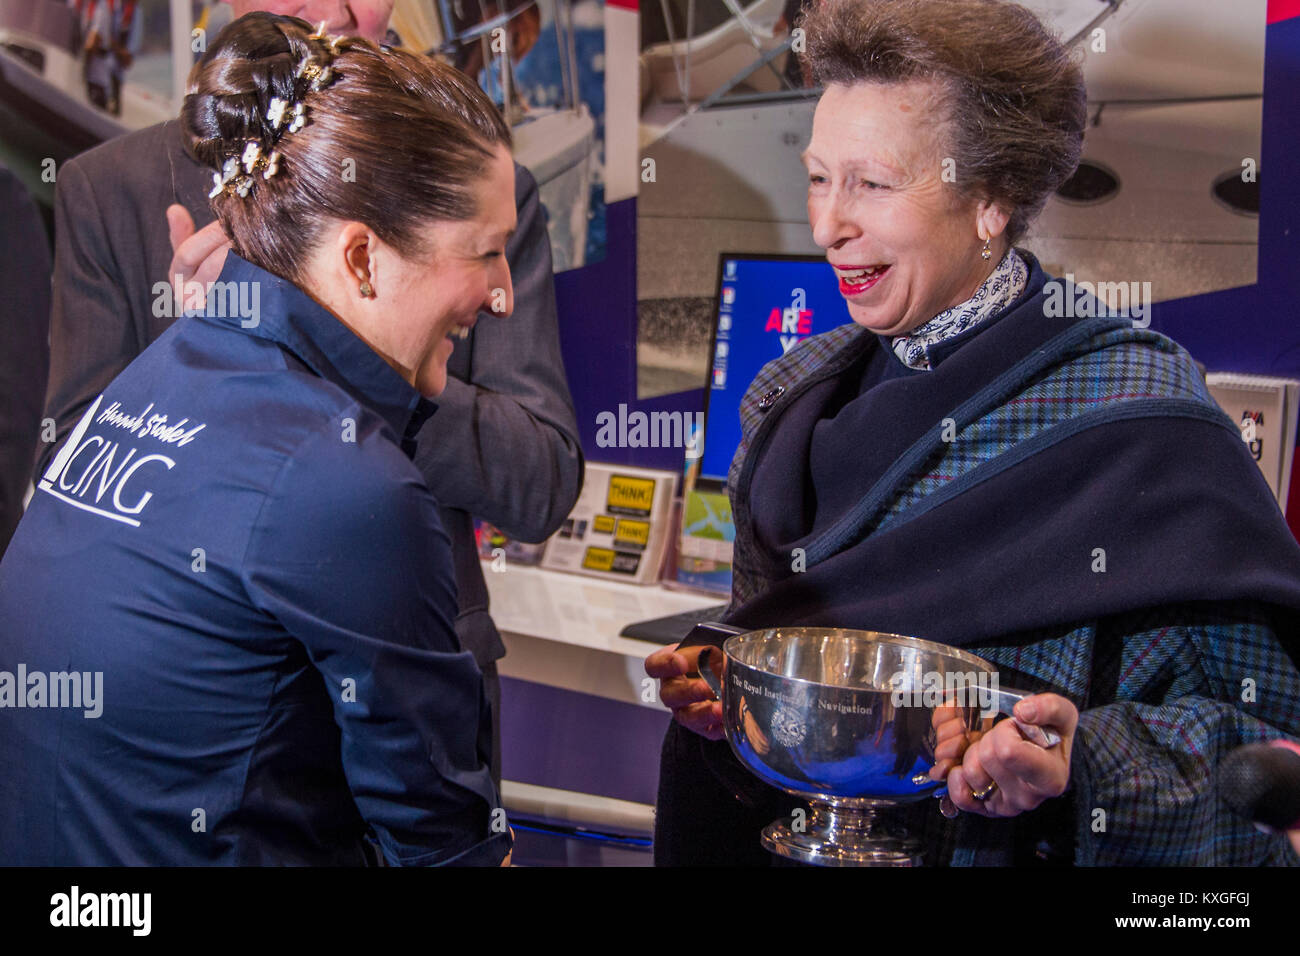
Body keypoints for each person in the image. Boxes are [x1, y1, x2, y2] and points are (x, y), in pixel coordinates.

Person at [646, 0, 1300, 866]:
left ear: (991, 199)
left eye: (872, 183)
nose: (829, 223)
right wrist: (730, 696)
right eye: (817, 176)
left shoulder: (1139, 411)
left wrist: (1087, 764)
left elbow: (1272, 751)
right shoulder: (787, 398)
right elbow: (775, 644)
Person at [0, 12, 516, 865]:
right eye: (485, 253)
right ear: (361, 259)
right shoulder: (346, 483)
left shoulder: (152, 377)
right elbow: (442, 846)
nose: (501, 295)